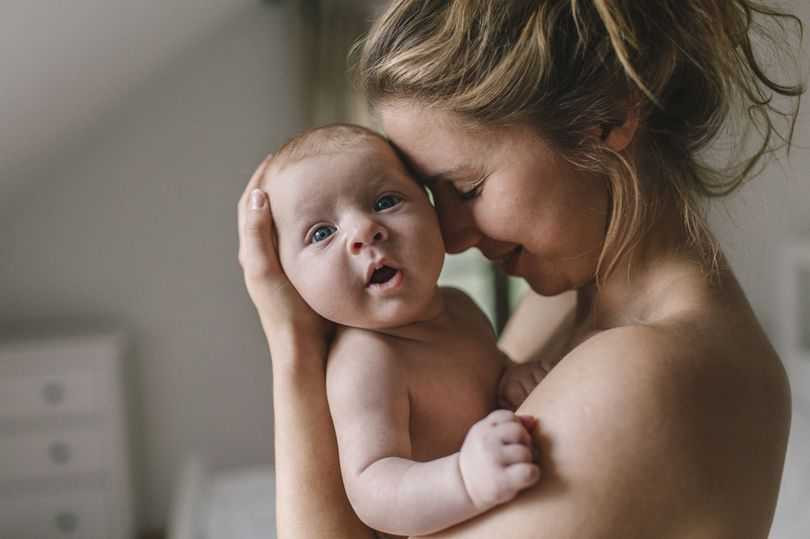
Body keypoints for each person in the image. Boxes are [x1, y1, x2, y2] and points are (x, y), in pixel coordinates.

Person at [237, 1, 805, 537]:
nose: (453, 236)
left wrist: (294, 346)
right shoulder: (563, 304)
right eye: (431, 194)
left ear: (605, 117)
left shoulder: (645, 372)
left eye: (467, 187)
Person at [256, 123, 548, 538]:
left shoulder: (461, 310)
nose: (363, 231)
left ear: (432, 210)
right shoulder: (366, 360)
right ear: (289, 280)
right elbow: (374, 487)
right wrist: (463, 478)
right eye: (322, 232)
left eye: (386, 200)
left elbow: (480, 375)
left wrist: (511, 375)